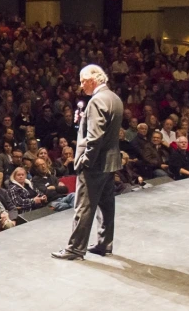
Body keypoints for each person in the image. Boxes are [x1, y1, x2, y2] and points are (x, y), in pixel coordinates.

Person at [52, 64, 123, 261]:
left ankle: (75, 249)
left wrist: (85, 160)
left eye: (83, 82)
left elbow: (95, 137)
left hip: (95, 163)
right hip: (110, 162)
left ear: (93, 80)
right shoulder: (114, 98)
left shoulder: (96, 101)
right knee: (106, 205)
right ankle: (104, 243)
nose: (81, 86)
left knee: (83, 206)